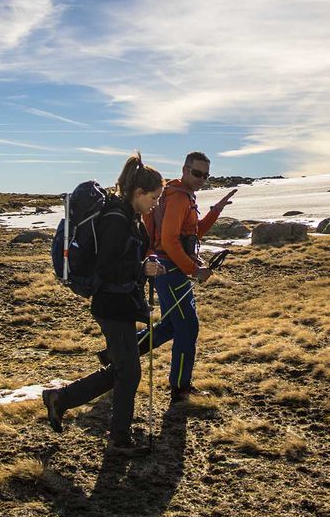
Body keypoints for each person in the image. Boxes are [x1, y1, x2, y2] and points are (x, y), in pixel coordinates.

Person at [42, 152, 165, 456]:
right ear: (138, 192)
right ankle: (118, 439)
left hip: (120, 302)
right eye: (154, 197)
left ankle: (61, 398)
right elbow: (108, 268)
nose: (156, 203)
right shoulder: (116, 219)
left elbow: (123, 259)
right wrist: (141, 269)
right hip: (112, 304)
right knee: (130, 372)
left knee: (124, 369)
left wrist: (142, 262)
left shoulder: (128, 216)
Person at [100, 152, 236, 403]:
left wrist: (215, 211)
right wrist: (194, 271)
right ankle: (180, 388)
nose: (201, 179)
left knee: (170, 326)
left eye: (206, 175)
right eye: (197, 173)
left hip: (168, 267)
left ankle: (116, 354)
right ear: (184, 169)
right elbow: (170, 241)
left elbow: (192, 233)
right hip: (170, 270)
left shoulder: (180, 195)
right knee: (187, 327)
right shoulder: (178, 199)